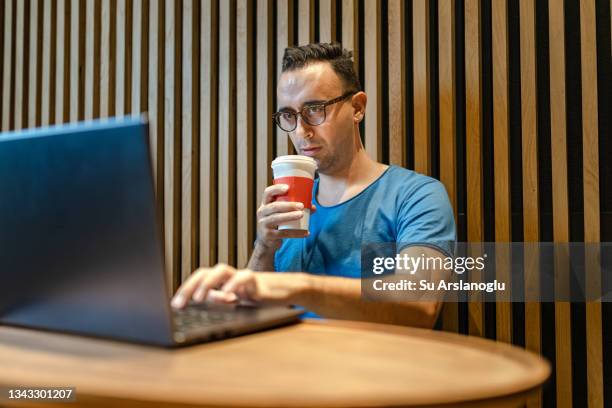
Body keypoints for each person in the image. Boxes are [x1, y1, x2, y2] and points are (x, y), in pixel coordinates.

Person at [171, 43, 456, 328]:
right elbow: (253, 312)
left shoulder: (415, 196)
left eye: (315, 109)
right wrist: (265, 248)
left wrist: (298, 287)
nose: (300, 130)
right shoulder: (288, 209)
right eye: (288, 115)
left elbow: (421, 303)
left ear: (357, 107)